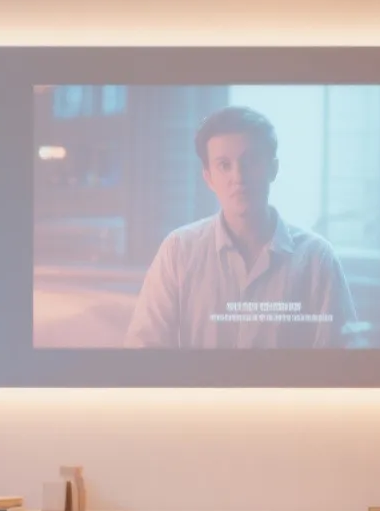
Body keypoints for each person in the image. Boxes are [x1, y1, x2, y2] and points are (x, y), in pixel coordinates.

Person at [125, 106, 360, 348]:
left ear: (273, 169)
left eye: (251, 161)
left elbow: (340, 363)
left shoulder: (316, 258)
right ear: (208, 178)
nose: (238, 176)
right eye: (224, 165)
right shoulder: (178, 251)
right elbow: (144, 352)